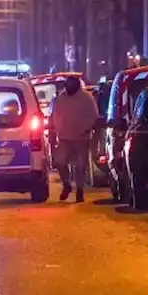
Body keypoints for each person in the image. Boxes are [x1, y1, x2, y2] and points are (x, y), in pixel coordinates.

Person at [49, 75, 99, 203]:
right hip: (65, 137)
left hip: (82, 137)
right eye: (67, 84)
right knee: (60, 162)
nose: (69, 87)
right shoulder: (61, 97)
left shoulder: (87, 97)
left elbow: (93, 115)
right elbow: (55, 114)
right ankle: (67, 185)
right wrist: (58, 128)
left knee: (81, 166)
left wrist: (85, 128)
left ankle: (80, 190)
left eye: (72, 84)